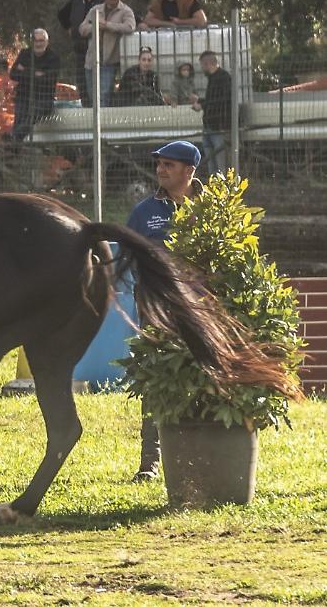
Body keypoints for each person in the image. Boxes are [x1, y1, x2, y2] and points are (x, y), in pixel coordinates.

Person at [125, 140, 203, 482]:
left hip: (202, 312)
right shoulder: (143, 213)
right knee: (155, 378)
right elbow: (128, 256)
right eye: (159, 164)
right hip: (156, 309)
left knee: (202, 378)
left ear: (189, 170)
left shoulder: (212, 209)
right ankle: (150, 462)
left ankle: (199, 455)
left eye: (169, 165)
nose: (160, 170)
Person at [78, 0, 136, 107]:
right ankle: (96, 119)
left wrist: (107, 26)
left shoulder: (125, 11)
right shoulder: (95, 10)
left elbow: (130, 27)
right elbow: (82, 29)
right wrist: (95, 26)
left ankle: (103, 119)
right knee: (92, 94)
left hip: (109, 61)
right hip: (91, 59)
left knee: (104, 95)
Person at [57, 0, 106, 106]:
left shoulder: (105, 1)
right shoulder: (75, 1)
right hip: (80, 53)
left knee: (100, 91)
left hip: (101, 53)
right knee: (84, 90)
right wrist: (71, 31)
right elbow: (61, 15)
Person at [8, 29, 61, 141]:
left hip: (43, 98)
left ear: (47, 42)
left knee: (31, 118)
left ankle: (14, 137)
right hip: (23, 95)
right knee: (19, 118)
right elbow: (13, 74)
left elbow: (49, 80)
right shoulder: (24, 54)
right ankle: (15, 145)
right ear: (32, 42)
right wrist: (37, 74)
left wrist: (25, 70)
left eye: (41, 40)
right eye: (36, 40)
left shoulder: (53, 58)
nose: (38, 44)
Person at [192, 50, 232, 175]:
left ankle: (223, 187)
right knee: (212, 164)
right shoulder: (213, 78)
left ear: (207, 64)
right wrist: (200, 100)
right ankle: (214, 186)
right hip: (209, 126)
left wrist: (202, 105)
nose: (202, 69)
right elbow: (213, 100)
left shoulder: (223, 78)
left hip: (219, 127)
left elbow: (221, 101)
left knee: (221, 165)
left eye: (202, 65)